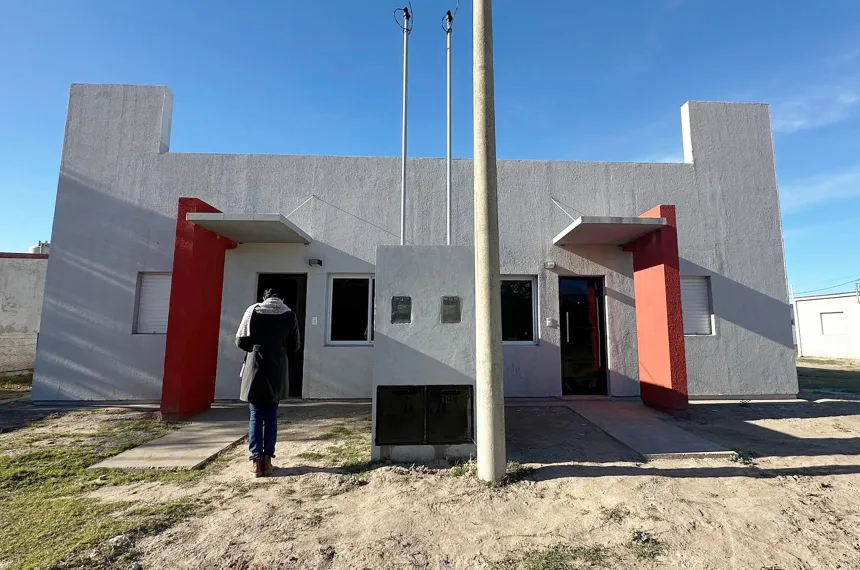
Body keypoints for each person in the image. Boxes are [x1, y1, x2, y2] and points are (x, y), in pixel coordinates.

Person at [236, 287, 301, 477]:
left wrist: (256, 347)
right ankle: (268, 460)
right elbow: (295, 345)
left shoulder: (252, 311)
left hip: (255, 365)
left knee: (256, 414)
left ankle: (256, 462)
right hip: (277, 367)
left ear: (264, 297)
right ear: (282, 298)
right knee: (271, 414)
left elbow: (240, 341)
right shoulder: (289, 314)